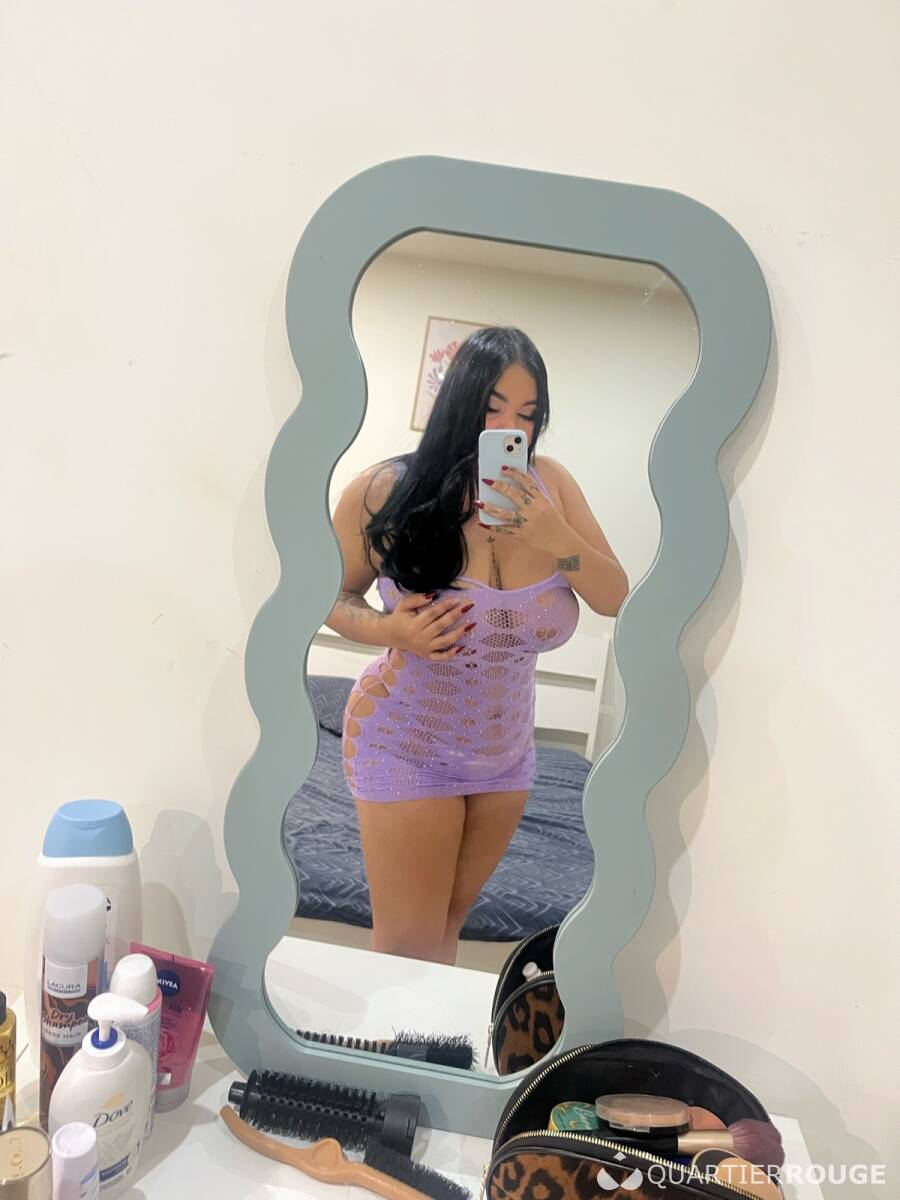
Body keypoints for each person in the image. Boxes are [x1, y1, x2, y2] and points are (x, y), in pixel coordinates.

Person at [325, 326, 628, 964]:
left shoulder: (552, 488)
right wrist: (388, 630)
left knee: (447, 931)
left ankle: (430, 1033)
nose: (509, 428)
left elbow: (613, 595)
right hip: (405, 740)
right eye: (492, 408)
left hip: (505, 756)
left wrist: (553, 536)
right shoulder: (385, 490)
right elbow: (325, 597)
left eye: (527, 414)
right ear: (458, 402)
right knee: (407, 947)